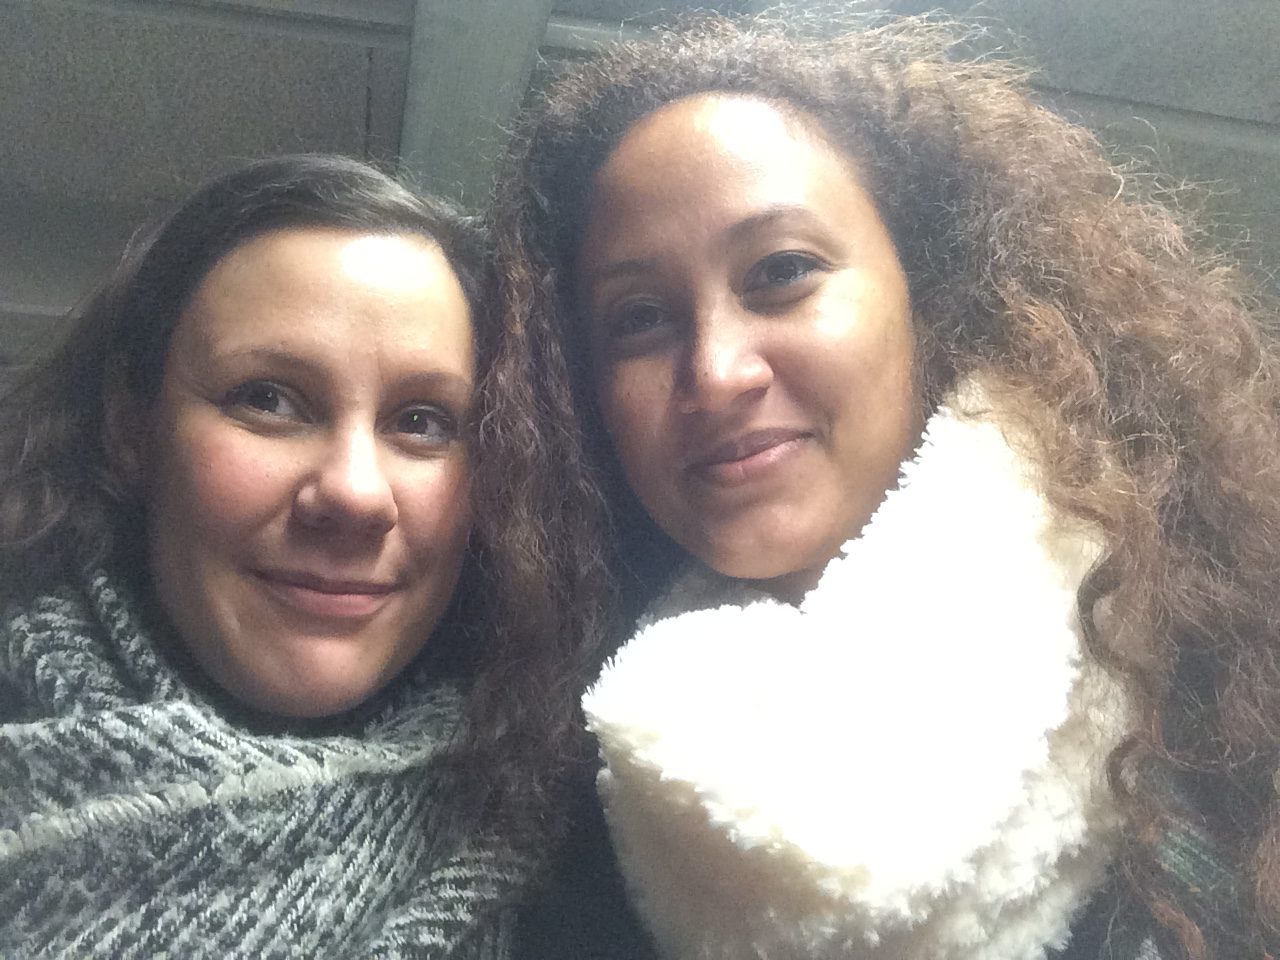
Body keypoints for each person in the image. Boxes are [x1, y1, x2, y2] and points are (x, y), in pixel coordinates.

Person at [490, 13, 1280, 960]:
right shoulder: (534, 796)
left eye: (782, 272)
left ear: (929, 293)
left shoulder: (1221, 694)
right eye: (638, 318)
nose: (717, 371)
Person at [0, 155, 608, 958]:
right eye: (269, 399)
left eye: (423, 422)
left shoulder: (593, 852)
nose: (355, 494)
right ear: (129, 428)